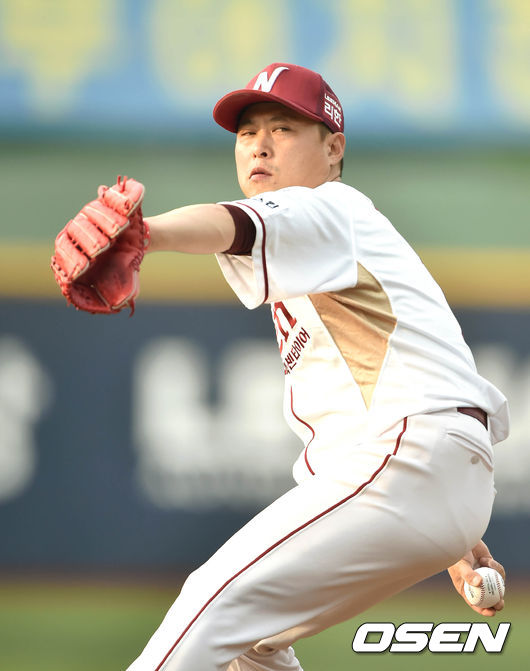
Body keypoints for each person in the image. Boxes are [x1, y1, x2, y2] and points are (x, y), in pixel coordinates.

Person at [119, 62, 508, 670]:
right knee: (252, 641)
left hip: (414, 456)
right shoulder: (321, 250)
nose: (260, 146)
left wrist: (141, 233)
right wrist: (453, 529)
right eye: (247, 132)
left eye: (283, 128)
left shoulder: (329, 208)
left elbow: (230, 223)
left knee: (212, 598)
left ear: (333, 149)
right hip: (420, 468)